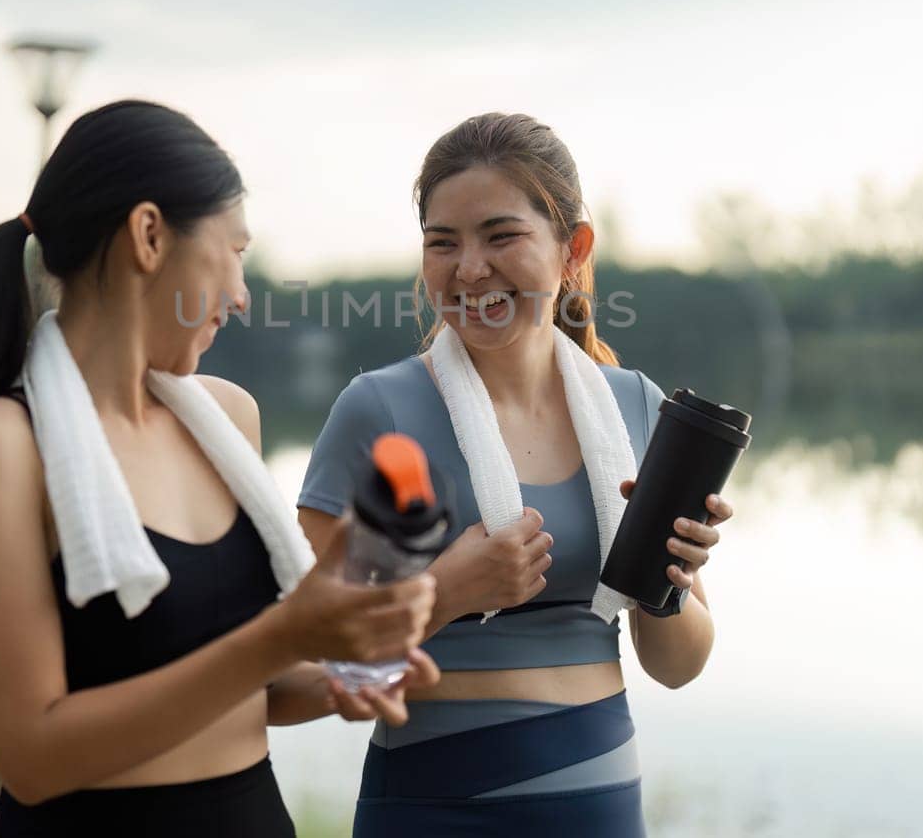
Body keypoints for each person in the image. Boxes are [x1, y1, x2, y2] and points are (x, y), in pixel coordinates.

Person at [0, 99, 439, 835]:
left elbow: (241, 683)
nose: (241, 294)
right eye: (235, 251)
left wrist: (332, 676)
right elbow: (28, 755)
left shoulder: (227, 418)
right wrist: (287, 634)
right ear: (151, 235)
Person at [297, 112, 734, 837]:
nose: (469, 268)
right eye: (443, 243)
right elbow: (311, 650)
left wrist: (668, 585)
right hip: (430, 812)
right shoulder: (378, 411)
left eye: (501, 236)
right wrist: (446, 592)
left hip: (601, 810)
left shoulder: (635, 407)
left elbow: (678, 665)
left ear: (574, 248)